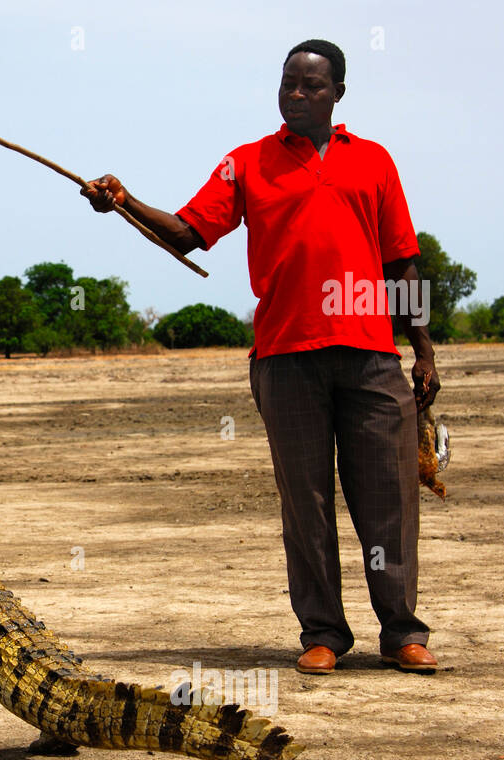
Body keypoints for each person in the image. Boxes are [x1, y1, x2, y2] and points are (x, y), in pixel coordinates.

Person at [82, 39, 439, 675]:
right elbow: (191, 232)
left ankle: (402, 632)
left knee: (388, 500)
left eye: (312, 86)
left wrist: (423, 352)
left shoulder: (375, 162)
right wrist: (124, 202)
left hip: (371, 356)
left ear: (338, 94)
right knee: (306, 505)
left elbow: (401, 261)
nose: (297, 95)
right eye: (288, 84)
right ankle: (323, 634)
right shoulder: (247, 164)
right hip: (286, 356)